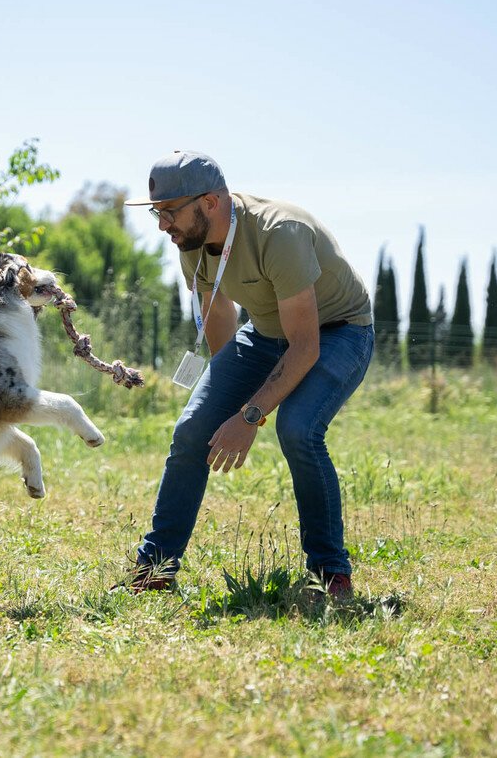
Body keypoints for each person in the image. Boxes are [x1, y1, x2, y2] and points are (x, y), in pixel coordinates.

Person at [121, 151, 374, 599]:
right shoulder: (190, 242)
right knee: (192, 430)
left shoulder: (281, 233)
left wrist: (250, 415)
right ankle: (156, 568)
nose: (163, 225)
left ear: (211, 202)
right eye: (158, 214)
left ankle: (330, 573)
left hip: (338, 333)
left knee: (298, 429)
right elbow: (217, 310)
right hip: (263, 335)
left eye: (170, 212)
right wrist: (228, 400)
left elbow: (306, 345)